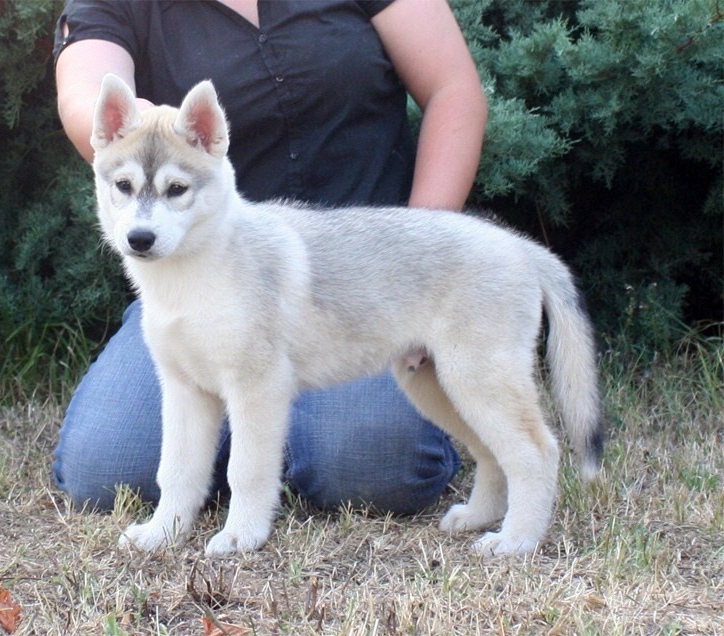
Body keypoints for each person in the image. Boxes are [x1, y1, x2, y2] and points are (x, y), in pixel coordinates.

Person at [52, 0, 488, 516]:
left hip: (362, 284)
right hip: (202, 279)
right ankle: (250, 425)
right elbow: (85, 92)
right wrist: (141, 126)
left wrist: (423, 264)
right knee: (109, 471)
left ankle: (263, 427)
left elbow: (453, 90)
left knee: (371, 469)